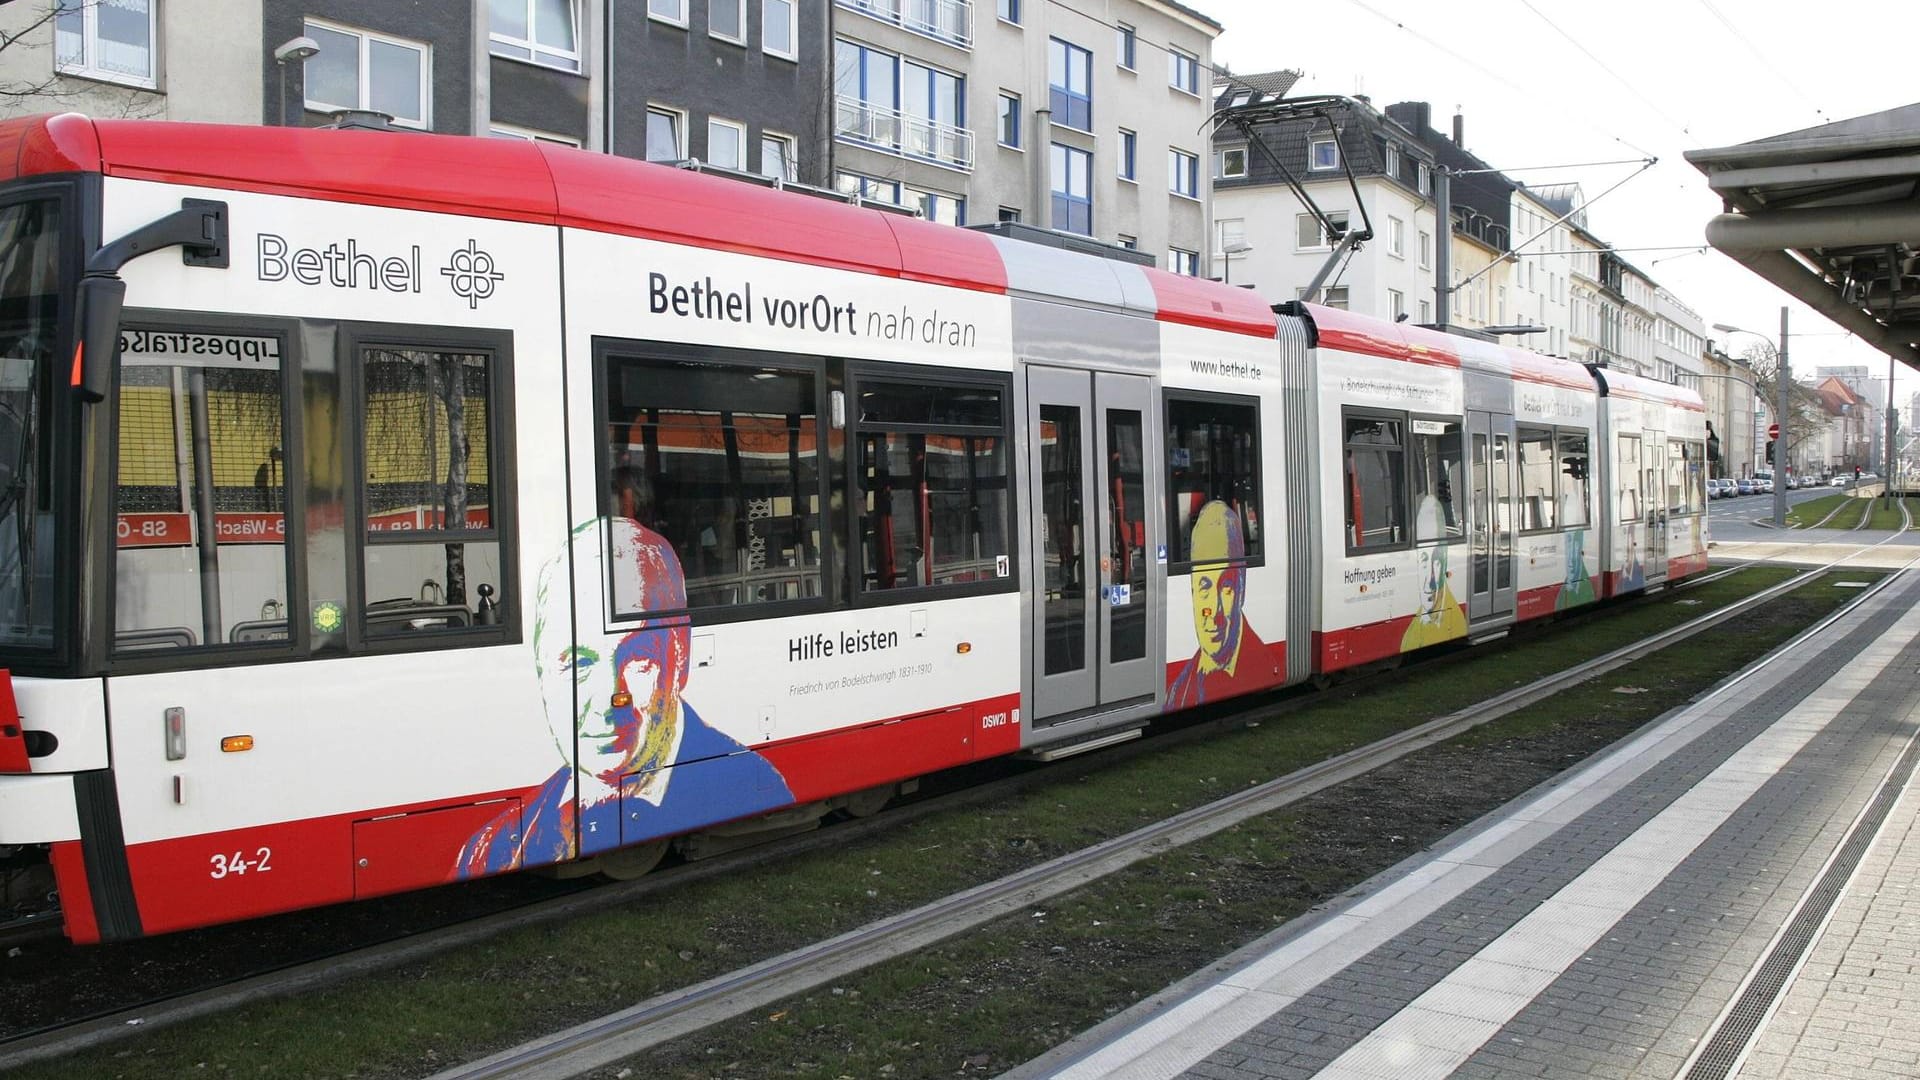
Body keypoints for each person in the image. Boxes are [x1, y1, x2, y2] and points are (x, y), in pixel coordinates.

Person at [454, 517, 791, 877]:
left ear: (680, 656)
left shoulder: (752, 783)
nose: (610, 699)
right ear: (540, 671)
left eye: (638, 660)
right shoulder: (493, 845)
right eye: (578, 662)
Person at [1167, 501, 1278, 708]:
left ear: (1241, 589)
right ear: (1192, 591)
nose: (1213, 611)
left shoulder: (1265, 665)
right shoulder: (1178, 689)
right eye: (1204, 587)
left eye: (1226, 587)